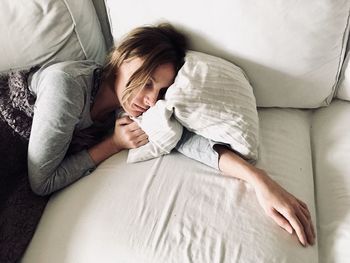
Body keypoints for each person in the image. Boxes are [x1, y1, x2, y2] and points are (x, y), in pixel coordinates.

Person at [27, 23, 315, 247]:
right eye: (148, 82)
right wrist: (113, 144)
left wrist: (258, 179)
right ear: (124, 55)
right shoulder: (66, 88)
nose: (151, 100)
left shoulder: (129, 110)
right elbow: (42, 181)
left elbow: (187, 140)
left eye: (160, 91)